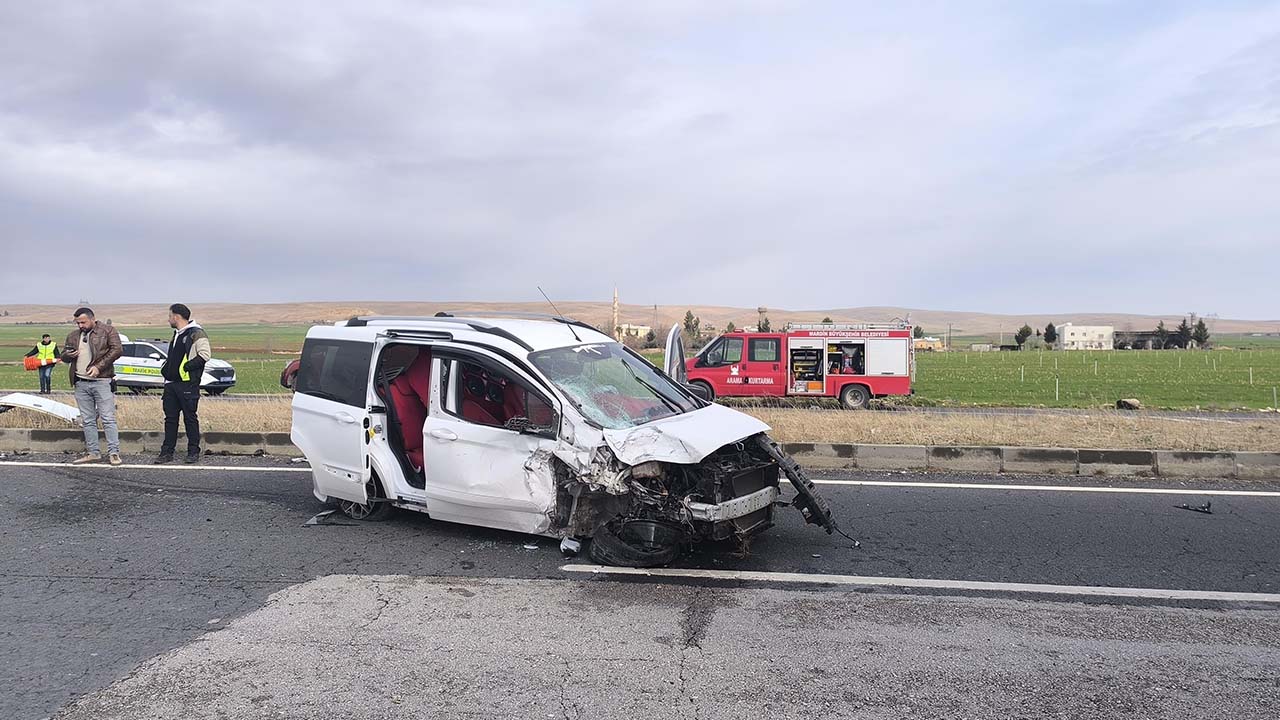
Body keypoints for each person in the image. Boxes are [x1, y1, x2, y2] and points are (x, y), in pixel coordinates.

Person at [61, 307, 123, 465]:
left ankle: (114, 452)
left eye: (83, 322)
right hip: (81, 382)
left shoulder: (107, 331)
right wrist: (68, 355)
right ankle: (93, 452)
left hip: (102, 381)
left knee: (108, 418)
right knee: (88, 420)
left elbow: (117, 350)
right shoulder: (73, 336)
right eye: (78, 323)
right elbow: (63, 355)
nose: (80, 325)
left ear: (92, 319)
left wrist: (99, 367)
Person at [156, 303, 211, 464]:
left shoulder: (196, 333)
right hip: (171, 385)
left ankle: (193, 452)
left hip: (187, 385)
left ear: (176, 316)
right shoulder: (177, 334)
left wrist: (186, 368)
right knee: (170, 419)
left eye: (169, 316)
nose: (168, 319)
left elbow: (205, 355)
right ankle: (166, 453)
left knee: (190, 419)